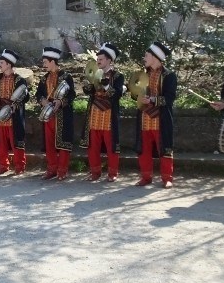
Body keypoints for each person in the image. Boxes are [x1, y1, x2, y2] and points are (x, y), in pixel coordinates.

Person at [80, 43, 125, 182]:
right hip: (94, 113)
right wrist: (87, 85)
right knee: (93, 145)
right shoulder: (95, 74)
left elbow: (116, 95)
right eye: (97, 59)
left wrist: (106, 84)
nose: (98, 61)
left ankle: (112, 173)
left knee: (111, 144)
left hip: (109, 114)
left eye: (101, 59)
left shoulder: (118, 76)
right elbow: (89, 92)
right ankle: (95, 172)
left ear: (110, 60)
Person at [135, 41, 177, 188]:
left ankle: (167, 178)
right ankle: (145, 177)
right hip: (144, 118)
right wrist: (138, 96)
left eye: (146, 55)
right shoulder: (143, 74)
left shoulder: (169, 76)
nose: (144, 58)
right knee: (144, 148)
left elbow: (170, 99)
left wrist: (152, 99)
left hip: (161, 119)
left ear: (155, 57)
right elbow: (136, 93)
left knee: (165, 148)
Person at [35, 46, 76, 181]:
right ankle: (51, 169)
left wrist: (61, 102)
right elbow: (38, 94)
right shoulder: (44, 78)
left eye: (45, 62)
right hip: (48, 114)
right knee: (49, 143)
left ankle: (62, 171)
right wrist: (43, 101)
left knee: (63, 142)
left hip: (62, 115)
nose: (44, 64)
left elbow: (72, 94)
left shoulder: (66, 76)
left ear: (52, 61)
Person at [0, 49, 30, 175]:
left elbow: (25, 98)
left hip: (14, 115)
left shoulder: (20, 80)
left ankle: (20, 166)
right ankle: (3, 165)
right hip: (1, 114)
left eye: (1, 63)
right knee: (1, 143)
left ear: (8, 64)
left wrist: (14, 106)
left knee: (16, 141)